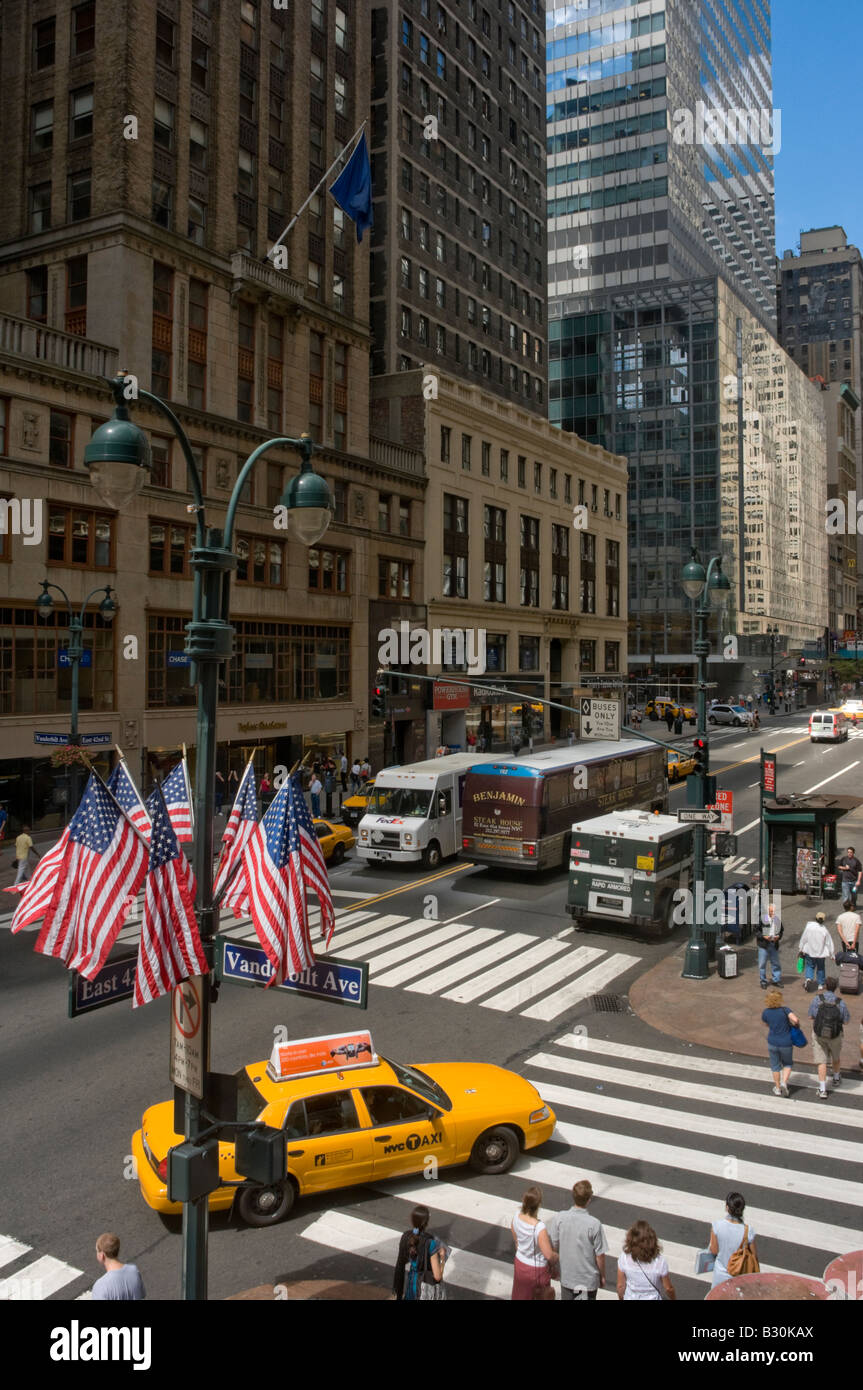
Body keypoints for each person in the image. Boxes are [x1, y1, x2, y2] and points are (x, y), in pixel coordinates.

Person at [546, 1179, 608, 1300]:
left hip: (568, 1277)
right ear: (589, 1199)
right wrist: (602, 1276)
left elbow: (554, 1246)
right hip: (587, 1281)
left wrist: (553, 1267)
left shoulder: (560, 1218)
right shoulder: (594, 1224)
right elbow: (600, 1255)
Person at [511, 1185, 556, 1300]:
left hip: (520, 1263)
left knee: (520, 1295)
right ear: (538, 1205)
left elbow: (515, 1236)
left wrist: (522, 1249)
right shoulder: (539, 1227)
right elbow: (548, 1255)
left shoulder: (516, 1216)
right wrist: (558, 1256)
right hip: (536, 1271)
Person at [808, 977, 851, 1098]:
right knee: (835, 1057)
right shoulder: (840, 1002)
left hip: (819, 1034)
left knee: (821, 1061)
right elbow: (846, 1021)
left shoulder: (817, 999)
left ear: (825, 986)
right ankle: (836, 1078)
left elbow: (811, 1016)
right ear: (836, 987)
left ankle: (822, 1089)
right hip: (835, 1035)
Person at [392, 1205, 445, 1301]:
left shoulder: (406, 1237)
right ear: (426, 1223)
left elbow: (401, 1263)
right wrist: (442, 1258)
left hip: (411, 1286)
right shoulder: (430, 1243)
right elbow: (437, 1277)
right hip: (423, 1289)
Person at [707, 1193, 758, 1288]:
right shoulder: (748, 1230)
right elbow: (754, 1255)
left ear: (727, 1208)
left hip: (720, 1275)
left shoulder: (717, 1226)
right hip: (739, 1275)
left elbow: (714, 1251)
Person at [616, 1220, 675, 1301]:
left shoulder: (624, 1258)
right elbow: (668, 1288)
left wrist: (621, 1298)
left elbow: (620, 1286)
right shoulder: (659, 1261)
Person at [761, 987, 799, 1096]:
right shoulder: (785, 1010)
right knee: (787, 1063)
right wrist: (795, 1025)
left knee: (775, 1066)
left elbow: (767, 1024)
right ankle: (784, 1082)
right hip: (786, 1042)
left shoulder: (766, 1012)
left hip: (772, 1042)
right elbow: (795, 1020)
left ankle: (777, 1088)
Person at [91, 1233, 145, 1301]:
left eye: (97, 1251)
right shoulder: (134, 1270)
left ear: (102, 1255)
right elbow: (142, 1295)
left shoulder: (100, 1286)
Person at [798, 911, 835, 992]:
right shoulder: (824, 930)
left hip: (809, 951)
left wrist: (800, 948)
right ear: (824, 920)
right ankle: (821, 984)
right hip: (821, 953)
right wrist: (832, 954)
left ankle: (808, 979)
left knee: (810, 966)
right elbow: (829, 942)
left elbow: (804, 939)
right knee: (821, 968)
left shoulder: (809, 927)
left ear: (815, 918)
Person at [756, 902, 783, 988]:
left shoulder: (777, 920)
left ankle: (776, 980)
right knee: (762, 964)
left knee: (776, 963)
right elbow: (756, 931)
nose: (773, 913)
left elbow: (781, 931)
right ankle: (763, 981)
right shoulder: (762, 919)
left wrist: (778, 937)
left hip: (773, 944)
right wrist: (764, 936)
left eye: (774, 912)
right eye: (771, 911)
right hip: (764, 945)